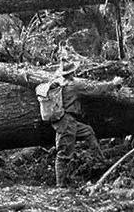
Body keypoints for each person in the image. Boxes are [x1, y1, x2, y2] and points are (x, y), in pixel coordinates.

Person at [51, 60, 123, 188]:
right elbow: (95, 89)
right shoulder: (74, 86)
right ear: (72, 72)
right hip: (66, 122)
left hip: (70, 121)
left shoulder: (61, 82)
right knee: (64, 154)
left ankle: (102, 161)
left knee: (88, 131)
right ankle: (59, 186)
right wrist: (113, 83)